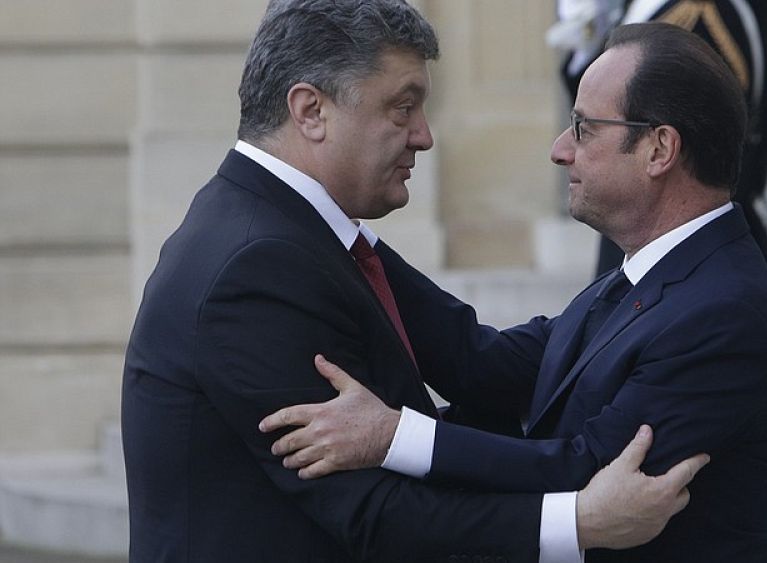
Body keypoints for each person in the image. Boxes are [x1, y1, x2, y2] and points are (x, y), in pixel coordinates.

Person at [121, 2, 709, 562]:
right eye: (402, 108)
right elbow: (370, 512)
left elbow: (476, 360)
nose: (424, 135)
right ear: (310, 111)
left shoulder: (294, 231)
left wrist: (674, 310)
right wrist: (577, 520)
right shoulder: (259, 265)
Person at [262, 22, 767, 563]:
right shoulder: (647, 276)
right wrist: (342, 235)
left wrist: (392, 437)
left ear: (659, 149)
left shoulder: (725, 312)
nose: (560, 150)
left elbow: (589, 473)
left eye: (584, 128)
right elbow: (485, 365)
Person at [555, 1, 767, 556]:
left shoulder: (697, 12)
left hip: (683, 240)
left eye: (580, 130)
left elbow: (696, 140)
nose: (562, 150)